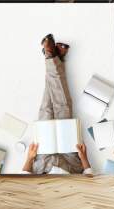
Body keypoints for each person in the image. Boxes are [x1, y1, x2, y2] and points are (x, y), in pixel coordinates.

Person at [22, 34, 92, 175]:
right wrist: (84, 158)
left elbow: (24, 177)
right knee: (63, 107)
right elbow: (89, 177)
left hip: (43, 164)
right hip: (70, 163)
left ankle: (54, 57)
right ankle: (53, 57)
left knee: (46, 109)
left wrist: (29, 158)